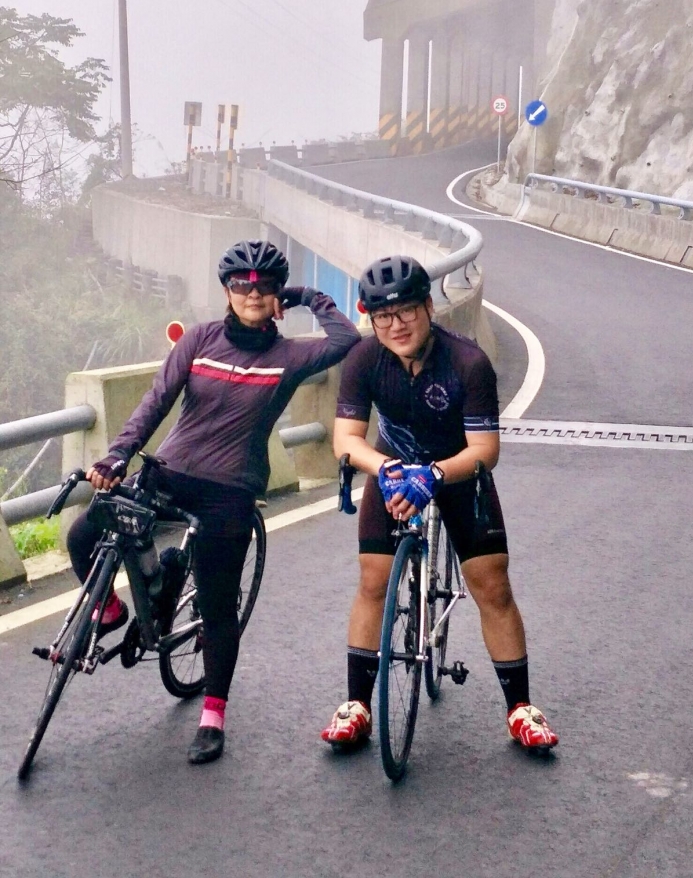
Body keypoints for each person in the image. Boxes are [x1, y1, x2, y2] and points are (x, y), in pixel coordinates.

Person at [67, 240, 360, 765]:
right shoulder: (200, 339)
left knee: (218, 608)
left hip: (231, 491)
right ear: (226, 290)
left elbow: (345, 338)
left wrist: (305, 295)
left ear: (275, 295)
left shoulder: (290, 356)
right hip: (168, 473)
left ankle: (213, 715)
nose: (252, 292)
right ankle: (115, 610)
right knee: (83, 534)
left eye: (264, 285)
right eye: (241, 284)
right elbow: (157, 401)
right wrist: (117, 456)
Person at [321, 254, 558, 753]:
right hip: (393, 470)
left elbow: (484, 452)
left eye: (406, 310)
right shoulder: (365, 359)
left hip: (456, 472)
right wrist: (382, 468)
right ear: (371, 319)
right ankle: (356, 705)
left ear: (429, 306)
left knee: (492, 585)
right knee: (372, 580)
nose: (396, 324)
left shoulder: (468, 362)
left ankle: (521, 708)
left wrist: (433, 475)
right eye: (382, 315)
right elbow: (346, 439)